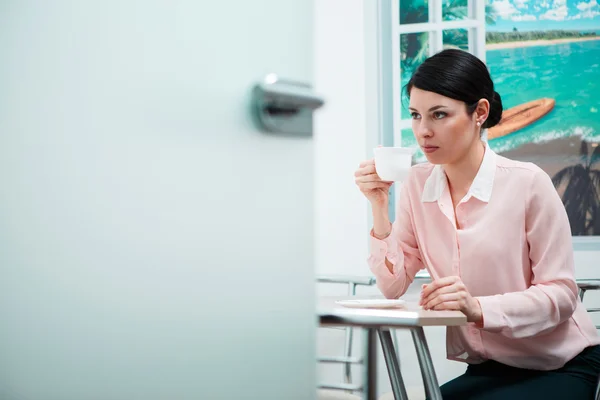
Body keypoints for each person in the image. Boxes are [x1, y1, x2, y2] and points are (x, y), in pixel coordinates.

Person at [354, 48, 600, 399]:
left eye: (439, 115)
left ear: (479, 112)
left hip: (561, 363)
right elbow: (393, 286)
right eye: (415, 115)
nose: (423, 131)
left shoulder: (527, 183)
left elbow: (561, 295)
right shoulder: (417, 184)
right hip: (489, 367)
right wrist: (379, 205)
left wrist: (477, 308)